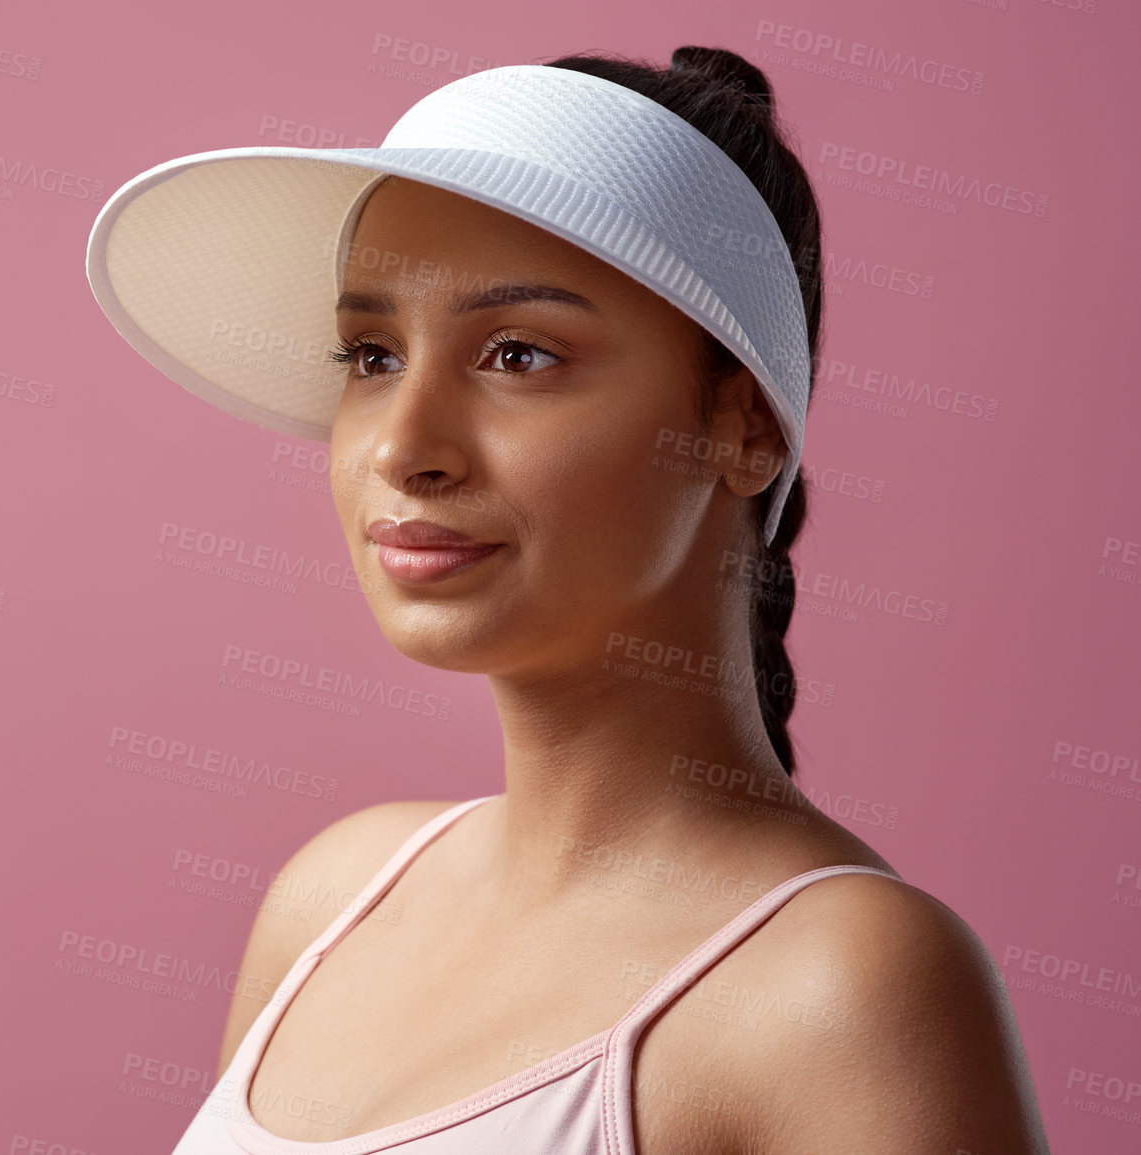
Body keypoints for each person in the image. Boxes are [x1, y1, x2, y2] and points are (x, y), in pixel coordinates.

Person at [86, 46, 1051, 1154]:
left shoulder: (842, 991)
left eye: (519, 354)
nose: (405, 448)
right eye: (370, 354)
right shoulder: (337, 898)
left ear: (743, 426)